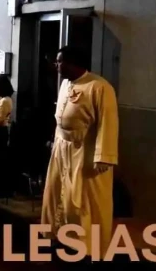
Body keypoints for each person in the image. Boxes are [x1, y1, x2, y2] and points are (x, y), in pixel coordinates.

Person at [41, 46, 118, 259]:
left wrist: (103, 156)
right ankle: (60, 236)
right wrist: (55, 140)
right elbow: (61, 116)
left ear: (74, 62)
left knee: (85, 200)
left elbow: (108, 123)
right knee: (58, 193)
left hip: (85, 151)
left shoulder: (99, 87)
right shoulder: (65, 84)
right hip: (62, 148)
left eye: (60, 61)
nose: (56, 65)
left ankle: (90, 246)